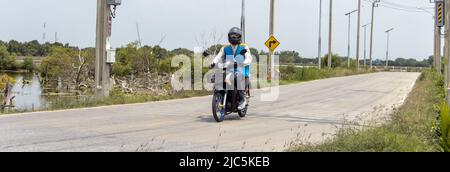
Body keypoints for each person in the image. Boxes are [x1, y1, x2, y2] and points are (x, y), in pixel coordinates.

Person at [210, 27, 252, 110]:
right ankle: (220, 95)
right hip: (229, 71)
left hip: (242, 71)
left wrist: (243, 63)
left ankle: (242, 99)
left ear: (239, 37)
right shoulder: (225, 48)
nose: (233, 37)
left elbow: (249, 58)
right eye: (232, 36)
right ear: (229, 37)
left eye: (235, 36)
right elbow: (218, 56)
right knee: (217, 77)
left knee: (238, 79)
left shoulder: (244, 47)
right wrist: (213, 62)